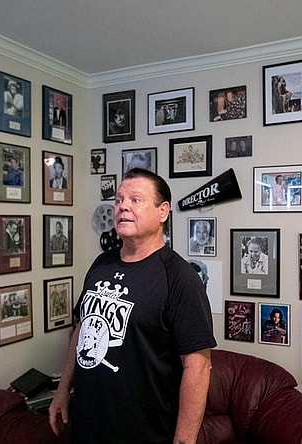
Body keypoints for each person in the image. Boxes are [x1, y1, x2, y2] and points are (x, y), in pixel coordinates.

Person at [49, 168, 216, 444]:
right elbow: (82, 328)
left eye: (135, 200)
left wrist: (184, 441)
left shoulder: (179, 278)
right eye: (118, 200)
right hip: (88, 425)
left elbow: (198, 368)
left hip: (145, 432)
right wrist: (63, 389)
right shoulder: (101, 264)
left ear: (163, 212)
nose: (123, 206)